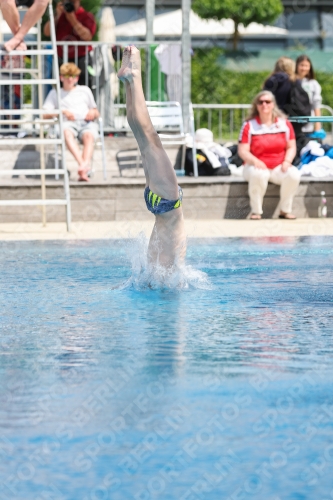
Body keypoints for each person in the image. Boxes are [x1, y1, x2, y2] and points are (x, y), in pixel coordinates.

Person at [117, 45, 186, 269]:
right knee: (142, 138)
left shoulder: (172, 275)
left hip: (169, 202)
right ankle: (128, 81)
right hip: (158, 206)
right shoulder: (160, 271)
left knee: (149, 137)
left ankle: (133, 76)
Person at [238, 90, 299, 220]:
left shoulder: (284, 123)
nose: (264, 104)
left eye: (267, 101)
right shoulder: (249, 125)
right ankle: (256, 212)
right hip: (254, 166)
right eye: (261, 102)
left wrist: (287, 161)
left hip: (279, 166)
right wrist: (255, 161)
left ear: (273, 104)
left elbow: (291, 146)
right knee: (259, 174)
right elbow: (243, 150)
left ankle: (285, 210)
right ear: (256, 105)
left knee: (294, 174)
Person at [43, 62, 99, 182]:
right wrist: (62, 112)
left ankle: (83, 168)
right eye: (67, 76)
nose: (70, 79)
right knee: (66, 133)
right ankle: (84, 166)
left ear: (77, 78)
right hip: (67, 124)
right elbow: (44, 114)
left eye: (73, 76)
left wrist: (92, 113)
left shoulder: (85, 90)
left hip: (85, 123)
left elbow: (95, 111)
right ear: (61, 77)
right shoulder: (55, 93)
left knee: (89, 135)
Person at [43, 0, 96, 87]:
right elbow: (47, 32)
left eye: (72, 2)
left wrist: (72, 19)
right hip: (61, 59)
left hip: (81, 58)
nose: (69, 4)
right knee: (59, 88)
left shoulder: (86, 16)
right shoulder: (60, 16)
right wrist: (57, 15)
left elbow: (87, 37)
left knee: (84, 87)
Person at [295, 54, 325, 138]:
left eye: (306, 66)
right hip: (293, 122)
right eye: (302, 65)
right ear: (296, 65)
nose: (304, 68)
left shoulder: (313, 83)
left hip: (308, 123)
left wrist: (318, 124)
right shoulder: (291, 81)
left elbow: (316, 104)